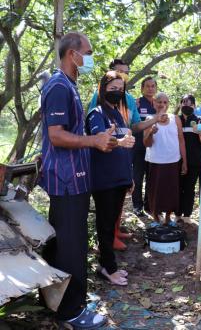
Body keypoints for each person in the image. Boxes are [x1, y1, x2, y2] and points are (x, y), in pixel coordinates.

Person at [40, 32, 113, 328]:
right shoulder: (58, 86)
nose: (91, 57)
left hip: (76, 180)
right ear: (73, 54)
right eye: (89, 52)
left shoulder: (69, 85)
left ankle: (66, 301)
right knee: (70, 248)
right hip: (66, 182)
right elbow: (56, 136)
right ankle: (71, 311)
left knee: (70, 245)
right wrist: (93, 141)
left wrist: (102, 141)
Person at [86, 71, 136, 286]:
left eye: (120, 90)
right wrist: (119, 141)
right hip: (104, 180)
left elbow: (127, 147)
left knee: (112, 223)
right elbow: (101, 140)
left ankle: (109, 264)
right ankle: (108, 268)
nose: (117, 93)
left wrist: (130, 177)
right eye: (113, 89)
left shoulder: (120, 115)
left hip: (120, 178)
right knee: (105, 225)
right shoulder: (96, 114)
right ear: (103, 89)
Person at [144, 93, 187, 225]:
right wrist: (151, 131)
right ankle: (156, 217)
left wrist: (184, 161)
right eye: (159, 102)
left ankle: (168, 217)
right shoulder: (149, 119)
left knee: (171, 191)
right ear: (154, 103)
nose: (162, 104)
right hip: (155, 161)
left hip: (173, 161)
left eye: (165, 102)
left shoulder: (175, 119)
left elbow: (181, 140)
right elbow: (146, 143)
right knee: (155, 191)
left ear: (168, 104)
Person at [132, 77, 157, 217]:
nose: (150, 88)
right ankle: (137, 205)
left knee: (151, 176)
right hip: (138, 147)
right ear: (142, 88)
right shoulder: (136, 103)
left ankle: (149, 204)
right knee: (137, 177)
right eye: (147, 86)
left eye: (153, 86)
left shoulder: (158, 103)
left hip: (153, 147)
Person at [177, 94, 201, 223]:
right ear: (180, 105)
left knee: (189, 188)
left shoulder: (200, 120)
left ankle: (187, 215)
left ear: (194, 106)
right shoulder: (175, 119)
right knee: (177, 187)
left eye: (190, 104)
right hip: (177, 160)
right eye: (184, 103)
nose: (186, 106)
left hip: (194, 161)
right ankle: (177, 214)